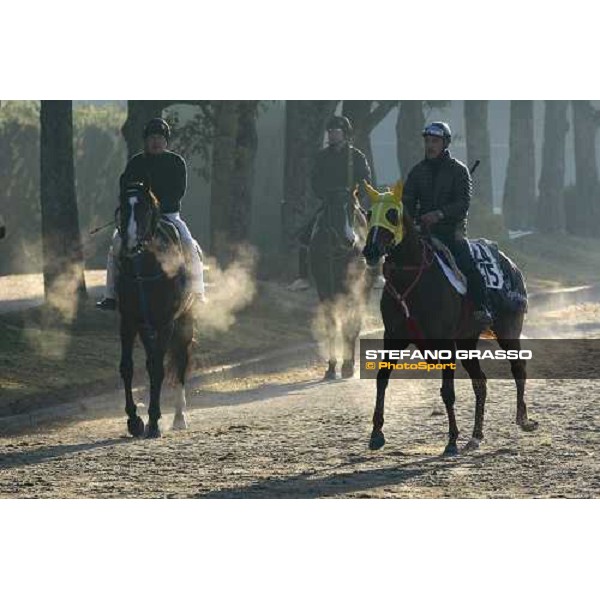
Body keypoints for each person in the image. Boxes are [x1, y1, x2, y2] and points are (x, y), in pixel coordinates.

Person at [96, 117, 204, 310]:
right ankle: (110, 296)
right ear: (146, 140)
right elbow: (125, 189)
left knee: (189, 244)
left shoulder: (176, 162)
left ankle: (197, 292)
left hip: (169, 216)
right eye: (152, 137)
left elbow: (178, 192)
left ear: (166, 141)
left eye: (160, 137)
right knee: (116, 244)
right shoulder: (136, 163)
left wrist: (155, 209)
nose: (156, 141)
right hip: (139, 217)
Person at [402, 121, 492, 327]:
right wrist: (413, 218)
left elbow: (463, 203)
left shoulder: (459, 171)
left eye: (435, 141)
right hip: (423, 233)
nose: (430, 145)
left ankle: (480, 310)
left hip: (452, 232)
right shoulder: (417, 172)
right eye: (427, 141)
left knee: (469, 267)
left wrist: (440, 214)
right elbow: (407, 201)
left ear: (445, 144)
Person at [287, 115, 373, 292]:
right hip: (329, 203)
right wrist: (325, 195)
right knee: (306, 236)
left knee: (373, 232)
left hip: (350, 203)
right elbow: (315, 181)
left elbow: (366, 181)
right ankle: (303, 277)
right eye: (330, 132)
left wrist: (356, 195)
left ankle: (378, 273)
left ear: (345, 134)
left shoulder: (357, 157)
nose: (332, 135)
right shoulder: (322, 157)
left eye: (336, 132)